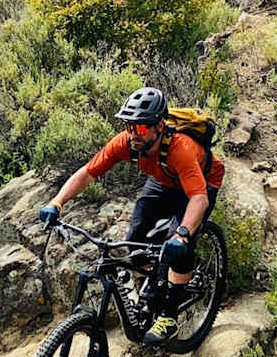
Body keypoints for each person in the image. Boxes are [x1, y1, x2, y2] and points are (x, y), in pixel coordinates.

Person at [37, 87, 225, 345]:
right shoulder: (127, 142)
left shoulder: (180, 148)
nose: (134, 134)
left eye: (141, 128)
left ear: (160, 126)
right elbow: (87, 173)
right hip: (164, 179)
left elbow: (199, 199)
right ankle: (154, 288)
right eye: (129, 126)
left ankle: (169, 316)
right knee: (135, 238)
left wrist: (182, 235)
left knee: (182, 241)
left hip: (200, 183)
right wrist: (56, 203)